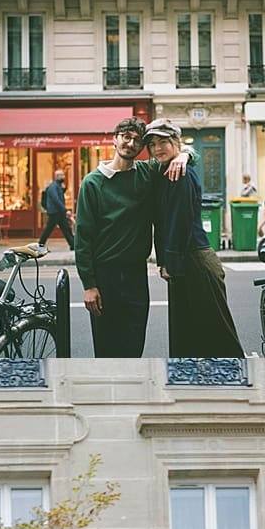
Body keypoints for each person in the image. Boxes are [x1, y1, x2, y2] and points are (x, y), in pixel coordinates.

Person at [74, 117, 187, 357]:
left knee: (135, 345)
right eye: (126, 137)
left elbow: (174, 154)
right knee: (106, 349)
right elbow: (83, 237)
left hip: (137, 275)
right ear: (114, 140)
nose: (131, 143)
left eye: (137, 140)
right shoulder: (92, 183)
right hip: (105, 276)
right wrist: (89, 285)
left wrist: (184, 156)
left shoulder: (147, 172)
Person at [145, 119, 243, 360]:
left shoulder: (181, 174)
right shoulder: (162, 171)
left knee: (217, 333)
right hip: (184, 259)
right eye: (153, 144)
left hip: (195, 260)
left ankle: (237, 383)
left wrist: (169, 263)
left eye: (164, 142)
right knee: (188, 332)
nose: (158, 148)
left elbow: (180, 222)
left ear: (176, 142)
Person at [38, 168, 74, 252]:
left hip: (58, 212)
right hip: (55, 212)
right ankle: (40, 245)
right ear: (57, 176)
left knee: (66, 229)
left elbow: (59, 197)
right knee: (49, 229)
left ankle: (73, 245)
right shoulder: (53, 186)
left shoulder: (57, 186)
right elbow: (56, 200)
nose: (64, 177)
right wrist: (65, 210)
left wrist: (63, 189)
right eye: (62, 175)